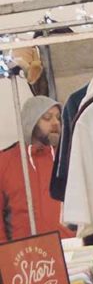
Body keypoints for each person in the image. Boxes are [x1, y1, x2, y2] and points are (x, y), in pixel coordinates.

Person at [0, 96, 74, 242]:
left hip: (71, 248)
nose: (55, 123)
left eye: (58, 118)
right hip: (25, 254)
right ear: (30, 122)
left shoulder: (68, 157)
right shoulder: (5, 162)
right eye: (47, 118)